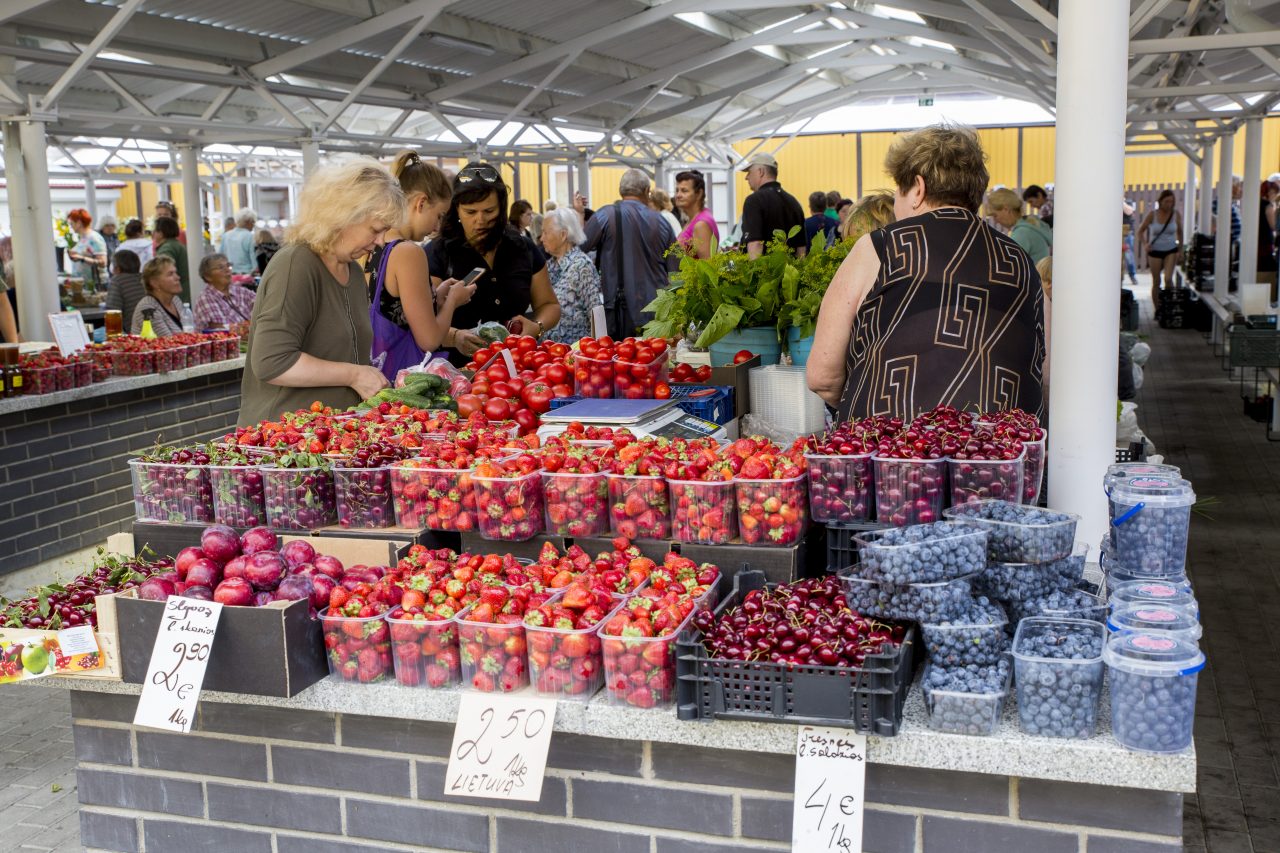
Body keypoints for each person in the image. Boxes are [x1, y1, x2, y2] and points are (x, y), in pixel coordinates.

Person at [806, 124, 1044, 422]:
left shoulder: (879, 248)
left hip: (890, 445)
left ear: (918, 189)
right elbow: (1046, 375)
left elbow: (822, 376)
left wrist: (866, 406)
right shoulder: (1021, 260)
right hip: (1003, 444)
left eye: (899, 190)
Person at [238, 156, 401, 426]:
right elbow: (271, 361)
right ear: (344, 215)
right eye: (375, 230)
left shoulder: (354, 273)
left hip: (331, 434)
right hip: (285, 438)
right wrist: (353, 375)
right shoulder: (296, 265)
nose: (380, 241)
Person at [426, 163, 561, 365]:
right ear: (456, 210)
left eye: (489, 211)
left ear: (502, 208)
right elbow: (422, 322)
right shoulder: (437, 253)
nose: (480, 220)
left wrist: (537, 326)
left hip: (516, 366)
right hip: (455, 371)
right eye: (470, 212)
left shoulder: (523, 248)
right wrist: (454, 337)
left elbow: (549, 305)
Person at [367, 150, 475, 379]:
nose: (438, 227)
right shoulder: (409, 253)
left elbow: (391, 308)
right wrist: (453, 301)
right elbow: (429, 339)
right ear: (421, 203)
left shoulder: (372, 244)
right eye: (439, 215)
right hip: (404, 382)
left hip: (376, 374)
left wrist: (436, 296)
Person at [579, 168, 674, 340]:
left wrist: (579, 215)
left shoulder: (606, 215)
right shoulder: (661, 221)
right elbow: (675, 270)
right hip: (657, 310)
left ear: (620, 190)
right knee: (655, 355)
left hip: (620, 311)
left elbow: (579, 247)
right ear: (647, 191)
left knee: (622, 355)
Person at [540, 207, 603, 344]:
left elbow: (595, 314)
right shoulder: (548, 265)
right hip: (550, 351)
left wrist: (599, 349)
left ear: (563, 235)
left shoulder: (581, 266)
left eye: (546, 232)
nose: (542, 238)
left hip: (575, 352)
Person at [739, 152, 805, 258]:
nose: (746, 177)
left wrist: (754, 268)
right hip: (790, 267)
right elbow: (801, 249)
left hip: (765, 268)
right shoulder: (793, 202)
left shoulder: (754, 201)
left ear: (760, 172)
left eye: (749, 172)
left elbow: (756, 244)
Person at [1138, 189, 1182, 302]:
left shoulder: (1175, 215)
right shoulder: (1152, 215)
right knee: (1156, 281)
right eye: (1166, 201)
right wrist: (1145, 244)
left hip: (1171, 250)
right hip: (1155, 251)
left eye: (1171, 202)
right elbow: (1140, 231)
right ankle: (1157, 308)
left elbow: (1180, 232)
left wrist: (1180, 250)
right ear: (1160, 201)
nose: (1169, 204)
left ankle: (1169, 305)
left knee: (1168, 279)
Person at [987, 188, 1052, 264]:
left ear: (1006, 210)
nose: (995, 221)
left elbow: (1006, 265)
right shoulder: (1029, 225)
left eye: (995, 215)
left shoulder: (1022, 233)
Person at [194, 253, 256, 331]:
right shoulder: (206, 297)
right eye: (221, 267)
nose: (227, 270)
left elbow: (262, 304)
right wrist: (246, 327)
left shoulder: (240, 291)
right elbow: (217, 327)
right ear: (208, 276)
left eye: (228, 266)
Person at [130, 256, 186, 337]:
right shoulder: (148, 308)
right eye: (170, 274)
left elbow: (188, 333)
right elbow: (168, 341)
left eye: (176, 273)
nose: (177, 277)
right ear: (154, 283)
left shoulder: (175, 300)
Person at [674, 170, 719, 260]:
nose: (678, 195)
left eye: (684, 191)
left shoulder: (701, 224)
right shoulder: (694, 219)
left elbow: (707, 265)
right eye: (677, 190)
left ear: (699, 194)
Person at [105, 249, 146, 331]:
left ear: (118, 268)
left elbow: (113, 312)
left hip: (134, 332)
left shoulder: (118, 281)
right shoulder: (145, 278)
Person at [152, 216, 190, 304]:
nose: (153, 234)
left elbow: (165, 271)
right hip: (185, 291)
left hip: (178, 295)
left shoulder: (166, 249)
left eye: (155, 231)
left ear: (161, 233)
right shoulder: (176, 244)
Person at [65, 209, 107, 285]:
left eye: (72, 223)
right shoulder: (82, 238)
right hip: (83, 283)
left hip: (94, 285)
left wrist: (82, 258)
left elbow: (103, 262)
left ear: (79, 223)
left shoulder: (94, 238)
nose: (70, 226)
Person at [219, 208, 257, 275]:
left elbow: (221, 255)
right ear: (248, 222)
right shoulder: (250, 236)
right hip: (247, 274)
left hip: (230, 273)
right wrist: (255, 270)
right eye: (253, 222)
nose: (254, 225)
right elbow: (253, 257)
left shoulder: (226, 235)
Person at [1258, 179, 1278, 274]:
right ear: (1269, 192)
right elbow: (1273, 226)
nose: (1276, 195)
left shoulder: (1258, 204)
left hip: (1258, 240)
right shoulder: (1268, 206)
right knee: (1267, 268)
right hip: (1265, 242)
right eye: (1275, 193)